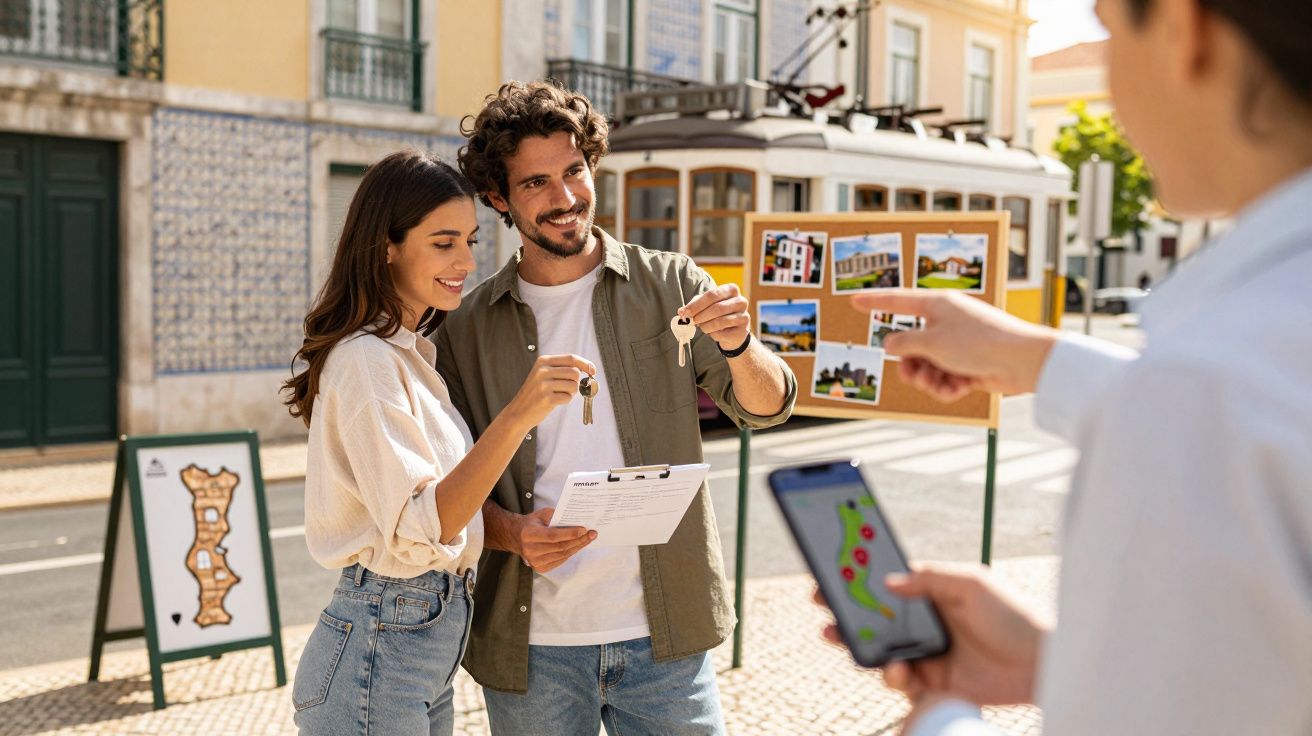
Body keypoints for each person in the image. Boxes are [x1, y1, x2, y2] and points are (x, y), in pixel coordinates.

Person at [835, 0, 1312, 733]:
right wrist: (1059, 663)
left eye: (1110, 29)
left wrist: (940, 719)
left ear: (1189, 31)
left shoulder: (1207, 388)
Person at [434, 81, 797, 735]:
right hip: (532, 649)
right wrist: (515, 535)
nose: (565, 198)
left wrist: (742, 345)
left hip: (665, 640)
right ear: (498, 199)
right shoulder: (466, 329)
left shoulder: (672, 284)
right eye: (536, 183)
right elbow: (446, 493)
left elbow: (766, 410)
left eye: (573, 171)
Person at [281, 151, 592, 735]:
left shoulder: (412, 356)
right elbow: (425, 525)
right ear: (387, 246)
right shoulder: (367, 362)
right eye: (443, 242)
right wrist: (520, 414)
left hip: (418, 648)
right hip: (380, 650)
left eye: (470, 240)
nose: (467, 262)